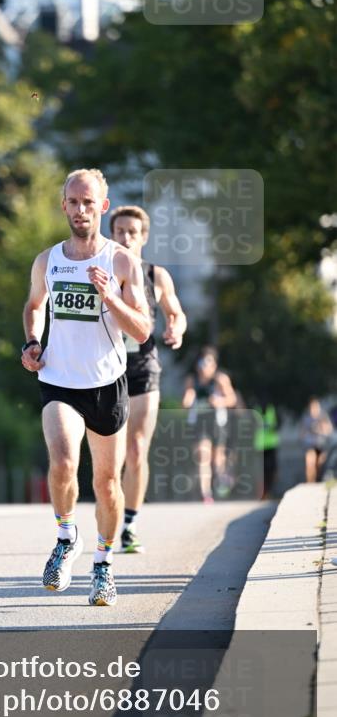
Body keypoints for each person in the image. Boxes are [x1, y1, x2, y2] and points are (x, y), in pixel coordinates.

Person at [21, 168, 151, 606]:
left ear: (103, 207)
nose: (80, 210)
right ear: (64, 206)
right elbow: (34, 306)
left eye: (88, 203)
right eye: (73, 202)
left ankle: (103, 565)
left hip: (106, 385)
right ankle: (64, 537)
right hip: (58, 380)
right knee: (61, 461)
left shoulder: (120, 261)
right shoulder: (47, 260)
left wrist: (110, 297)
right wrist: (32, 342)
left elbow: (143, 329)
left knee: (107, 482)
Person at [109, 205, 187, 553]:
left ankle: (129, 523)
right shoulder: (99, 269)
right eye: (120, 230)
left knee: (137, 447)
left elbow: (175, 311)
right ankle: (106, 516)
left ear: (143, 237)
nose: (125, 236)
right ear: (112, 234)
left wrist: (176, 329)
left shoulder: (156, 274)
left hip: (142, 366)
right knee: (109, 453)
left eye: (132, 231)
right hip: (104, 368)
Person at [182, 347, 237, 504]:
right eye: (202, 362)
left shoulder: (220, 379)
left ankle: (221, 482)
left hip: (217, 423)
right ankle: (206, 493)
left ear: (214, 365)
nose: (205, 366)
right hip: (199, 422)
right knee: (202, 456)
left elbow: (232, 399)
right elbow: (187, 397)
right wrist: (187, 399)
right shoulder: (192, 380)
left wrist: (220, 401)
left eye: (208, 362)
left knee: (217, 460)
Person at [301, 397, 333, 482]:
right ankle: (310, 483)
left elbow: (329, 430)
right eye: (312, 407)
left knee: (320, 464)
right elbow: (302, 433)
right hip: (310, 444)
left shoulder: (323, 417)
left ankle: (317, 480)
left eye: (316, 407)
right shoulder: (306, 418)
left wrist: (321, 429)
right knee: (310, 463)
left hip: (321, 445)